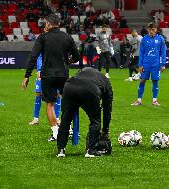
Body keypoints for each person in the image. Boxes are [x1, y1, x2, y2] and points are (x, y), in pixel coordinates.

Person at [22, 14, 80, 142]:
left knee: (50, 104)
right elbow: (77, 56)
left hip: (47, 75)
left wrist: (27, 76)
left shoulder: (42, 38)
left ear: (48, 24)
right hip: (63, 75)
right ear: (58, 24)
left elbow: (33, 57)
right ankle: (69, 128)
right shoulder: (67, 37)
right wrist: (67, 61)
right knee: (66, 103)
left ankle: (55, 132)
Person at [57, 67, 113, 158]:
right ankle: (90, 150)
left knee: (65, 119)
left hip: (69, 86)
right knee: (95, 120)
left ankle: (61, 150)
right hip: (90, 89)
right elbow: (107, 109)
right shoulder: (105, 81)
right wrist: (105, 130)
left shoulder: (80, 73)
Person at [131, 22, 166, 106]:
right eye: (150, 29)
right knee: (142, 81)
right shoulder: (144, 39)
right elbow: (141, 53)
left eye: (153, 29)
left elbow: (163, 52)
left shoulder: (160, 39)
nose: (151, 31)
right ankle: (139, 100)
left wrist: (162, 64)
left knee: (155, 81)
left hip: (156, 65)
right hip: (145, 64)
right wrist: (140, 65)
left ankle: (154, 100)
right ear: (148, 30)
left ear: (156, 30)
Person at [29, 53, 61, 126]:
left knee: (58, 94)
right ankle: (35, 119)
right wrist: (39, 70)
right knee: (38, 94)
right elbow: (40, 57)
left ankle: (57, 118)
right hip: (43, 72)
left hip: (56, 72)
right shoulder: (43, 43)